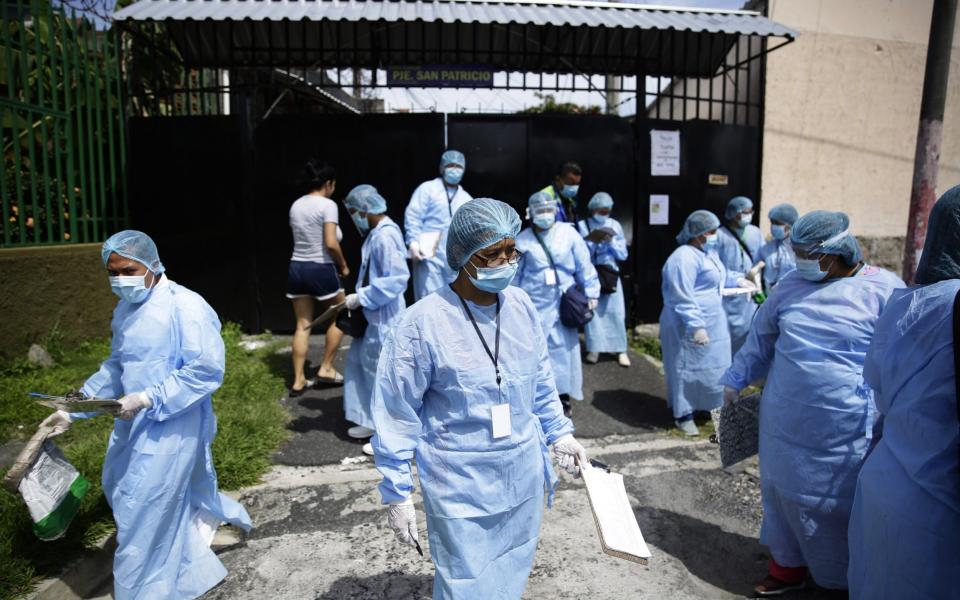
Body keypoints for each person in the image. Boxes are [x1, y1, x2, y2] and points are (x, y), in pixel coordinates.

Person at [371, 198, 588, 600]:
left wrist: (559, 433)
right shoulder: (423, 323)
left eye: (511, 250)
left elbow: (540, 376)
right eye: (493, 254)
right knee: (465, 582)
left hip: (521, 474)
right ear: (465, 256)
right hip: (460, 484)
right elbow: (395, 410)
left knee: (512, 568)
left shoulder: (520, 306)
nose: (507, 261)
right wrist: (397, 490)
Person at [40, 231, 251, 599]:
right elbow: (116, 366)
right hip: (132, 421)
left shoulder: (185, 306)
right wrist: (74, 409)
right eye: (112, 272)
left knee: (142, 510)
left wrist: (150, 398)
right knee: (125, 494)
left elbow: (204, 369)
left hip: (174, 424)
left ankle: (139, 592)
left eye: (128, 269)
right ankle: (187, 573)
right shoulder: (125, 309)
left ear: (152, 264)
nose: (120, 279)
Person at [720, 211, 904, 596]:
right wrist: (735, 381)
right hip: (783, 422)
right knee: (781, 495)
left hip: (848, 429)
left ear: (833, 253)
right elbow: (760, 339)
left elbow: (900, 358)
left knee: (840, 505)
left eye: (805, 252)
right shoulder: (790, 286)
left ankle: (842, 579)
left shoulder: (885, 289)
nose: (797, 258)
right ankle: (786, 568)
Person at [847, 185, 960, 599]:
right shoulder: (951, 304)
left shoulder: (905, 302)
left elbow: (877, 386)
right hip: (939, 508)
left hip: (886, 480)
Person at [514, 191, 600, 417]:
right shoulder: (522, 240)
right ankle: (537, 397)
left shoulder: (569, 234)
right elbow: (514, 276)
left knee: (563, 352)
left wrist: (592, 293)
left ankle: (562, 397)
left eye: (548, 210)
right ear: (530, 214)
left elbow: (584, 266)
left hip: (564, 303)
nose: (544, 215)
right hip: (534, 304)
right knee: (534, 352)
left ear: (555, 210)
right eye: (539, 211)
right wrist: (510, 303)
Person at [341, 185, 410, 454]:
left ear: (367, 209)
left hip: (386, 318)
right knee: (363, 367)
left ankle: (391, 436)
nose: (355, 216)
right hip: (375, 317)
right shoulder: (376, 235)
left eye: (356, 211)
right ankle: (372, 422)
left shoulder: (386, 237)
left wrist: (362, 297)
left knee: (385, 377)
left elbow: (396, 279)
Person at [659, 210, 733, 436]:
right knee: (685, 368)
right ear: (698, 233)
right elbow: (681, 295)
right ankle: (684, 414)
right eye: (711, 231)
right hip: (687, 324)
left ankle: (705, 406)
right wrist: (695, 325)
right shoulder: (683, 257)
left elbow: (720, 275)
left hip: (714, 323)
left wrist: (741, 277)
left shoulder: (708, 252)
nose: (715, 235)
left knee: (713, 368)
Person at [287, 159, 349, 395]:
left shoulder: (296, 205)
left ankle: (298, 380)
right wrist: (343, 266)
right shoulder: (327, 205)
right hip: (320, 268)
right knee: (343, 314)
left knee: (303, 325)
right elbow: (331, 243)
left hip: (297, 268)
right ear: (329, 183)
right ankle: (325, 367)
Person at [405, 150, 474, 300]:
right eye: (450, 165)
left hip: (455, 254)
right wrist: (413, 241)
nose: (454, 169)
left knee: (454, 298)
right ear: (442, 168)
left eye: (458, 166)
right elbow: (413, 215)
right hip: (427, 251)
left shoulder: (466, 198)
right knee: (427, 297)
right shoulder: (427, 189)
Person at [577, 192, 630, 367]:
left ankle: (620, 349)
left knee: (616, 312)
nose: (604, 214)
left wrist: (611, 243)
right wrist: (593, 243)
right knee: (594, 312)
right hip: (592, 273)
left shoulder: (614, 224)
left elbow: (623, 254)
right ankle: (594, 348)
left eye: (607, 211)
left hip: (610, 273)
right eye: (601, 210)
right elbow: (580, 253)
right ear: (593, 209)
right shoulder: (583, 225)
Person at [716, 196, 763, 355]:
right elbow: (716, 265)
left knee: (748, 333)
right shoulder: (720, 235)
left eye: (750, 212)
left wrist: (756, 271)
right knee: (726, 334)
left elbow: (761, 258)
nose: (748, 215)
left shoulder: (755, 232)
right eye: (744, 212)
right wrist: (735, 279)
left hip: (749, 293)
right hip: (729, 293)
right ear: (734, 213)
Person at [754, 203, 798, 291]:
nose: (773, 226)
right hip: (770, 297)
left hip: (792, 296)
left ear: (789, 226)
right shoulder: (766, 248)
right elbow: (756, 272)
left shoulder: (800, 249)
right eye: (772, 222)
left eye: (777, 223)